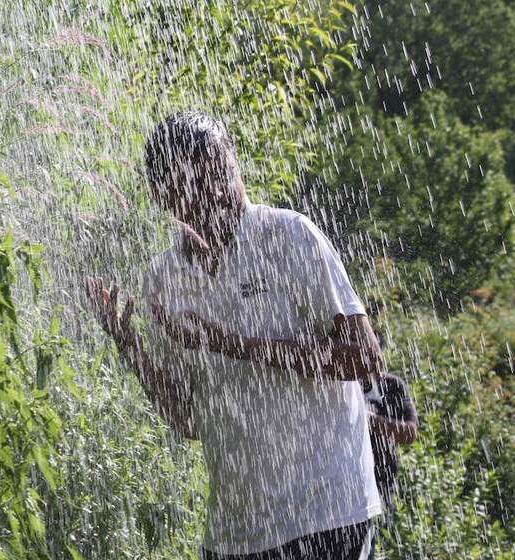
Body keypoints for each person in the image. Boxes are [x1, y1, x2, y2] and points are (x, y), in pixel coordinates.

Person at [84, 111, 385, 559]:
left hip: (327, 512)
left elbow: (365, 359)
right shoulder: (164, 279)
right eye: (198, 180)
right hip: (236, 533)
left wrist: (232, 344)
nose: (220, 189)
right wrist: (131, 347)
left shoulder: (288, 236)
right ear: (165, 196)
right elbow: (186, 420)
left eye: (224, 170)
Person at [362, 349, 418, 557]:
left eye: (375, 356)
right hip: (347, 483)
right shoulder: (344, 384)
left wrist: (371, 422)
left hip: (381, 482)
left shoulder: (393, 385)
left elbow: (410, 433)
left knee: (372, 544)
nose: (373, 363)